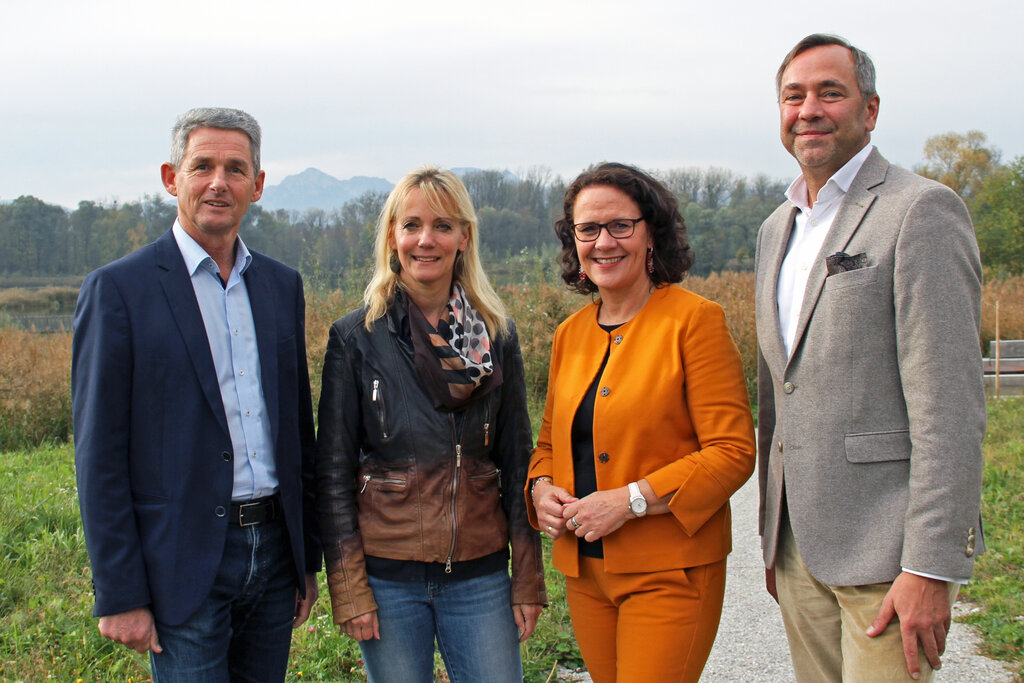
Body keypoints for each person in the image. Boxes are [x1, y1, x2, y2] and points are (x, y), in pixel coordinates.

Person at [755, 34, 986, 682]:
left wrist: (931, 566)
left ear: (871, 109)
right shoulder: (778, 228)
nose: (809, 110)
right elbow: (780, 393)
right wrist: (774, 542)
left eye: (831, 92)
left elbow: (951, 405)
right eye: (793, 96)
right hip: (799, 551)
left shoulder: (920, 211)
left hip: (887, 553)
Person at [72, 107, 321, 681]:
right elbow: (98, 453)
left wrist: (306, 558)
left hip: (274, 555)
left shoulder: (281, 287)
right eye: (202, 165)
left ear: (256, 186)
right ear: (171, 178)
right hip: (180, 562)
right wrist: (119, 592)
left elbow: (294, 429)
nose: (218, 182)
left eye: (236, 169)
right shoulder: (119, 291)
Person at [527, 162, 756, 683]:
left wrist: (630, 501)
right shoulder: (570, 334)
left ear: (650, 232)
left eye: (620, 226)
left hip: (669, 572)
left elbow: (734, 450)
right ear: (574, 243)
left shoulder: (695, 321)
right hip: (586, 576)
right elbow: (549, 444)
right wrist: (540, 488)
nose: (603, 242)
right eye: (588, 229)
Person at [315, 167, 546, 682]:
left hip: (481, 575)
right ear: (392, 237)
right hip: (387, 578)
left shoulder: (496, 336)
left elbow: (517, 462)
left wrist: (527, 577)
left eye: (443, 226)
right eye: (412, 225)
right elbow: (331, 474)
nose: (426, 240)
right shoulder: (356, 338)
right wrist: (351, 589)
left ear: (464, 237)